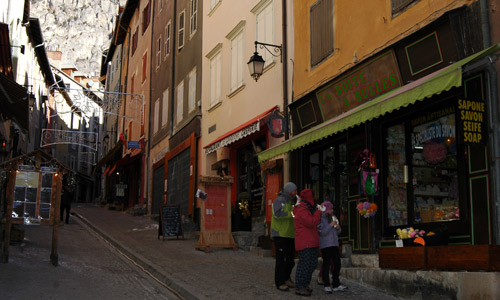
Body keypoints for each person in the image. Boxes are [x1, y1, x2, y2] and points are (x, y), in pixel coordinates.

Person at [293, 188, 322, 296]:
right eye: (312, 196)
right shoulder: (302, 209)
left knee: (312, 264)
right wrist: (319, 212)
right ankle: (299, 287)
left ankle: (304, 284)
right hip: (305, 242)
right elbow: (311, 222)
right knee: (304, 264)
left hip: (310, 240)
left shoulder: (307, 208)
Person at [271, 182, 298, 292]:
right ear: (289, 191)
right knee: (281, 260)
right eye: (294, 190)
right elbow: (277, 214)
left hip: (289, 234)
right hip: (280, 234)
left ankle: (286, 278)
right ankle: (279, 282)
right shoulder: (279, 200)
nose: (296, 192)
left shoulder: (292, 201)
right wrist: (292, 214)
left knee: (291, 260)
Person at [318, 201, 347, 293]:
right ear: (326, 209)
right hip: (326, 245)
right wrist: (331, 225)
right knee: (326, 264)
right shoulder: (320, 218)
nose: (332, 210)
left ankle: (336, 283)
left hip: (334, 244)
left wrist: (338, 228)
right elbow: (322, 232)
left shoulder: (333, 217)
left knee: (337, 264)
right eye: (330, 209)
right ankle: (326, 284)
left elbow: (337, 232)